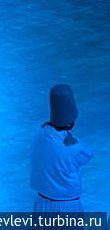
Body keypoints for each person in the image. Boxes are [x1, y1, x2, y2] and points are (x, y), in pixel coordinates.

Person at [30, 84, 93, 214]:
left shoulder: (40, 135)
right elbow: (88, 154)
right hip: (67, 206)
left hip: (42, 203)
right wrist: (72, 137)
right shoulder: (75, 147)